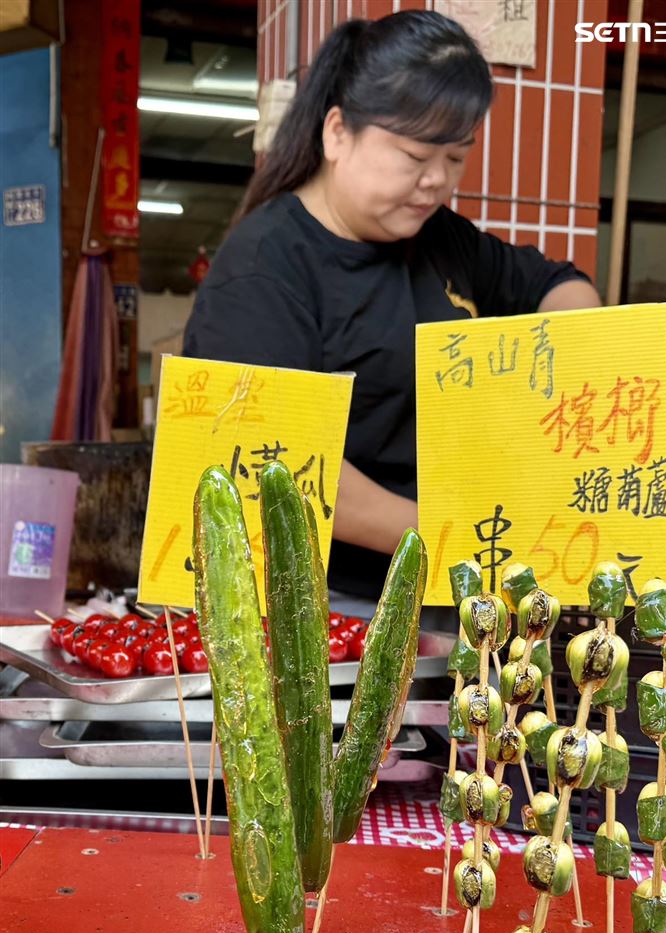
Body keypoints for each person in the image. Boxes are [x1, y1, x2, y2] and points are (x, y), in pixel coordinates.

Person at [183, 9, 602, 609]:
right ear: (337, 133)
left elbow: (558, 284)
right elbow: (287, 472)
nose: (435, 181)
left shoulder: (442, 240)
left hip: (446, 583)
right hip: (322, 606)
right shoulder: (265, 268)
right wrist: (460, 536)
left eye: (455, 158)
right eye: (413, 156)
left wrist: (569, 368)